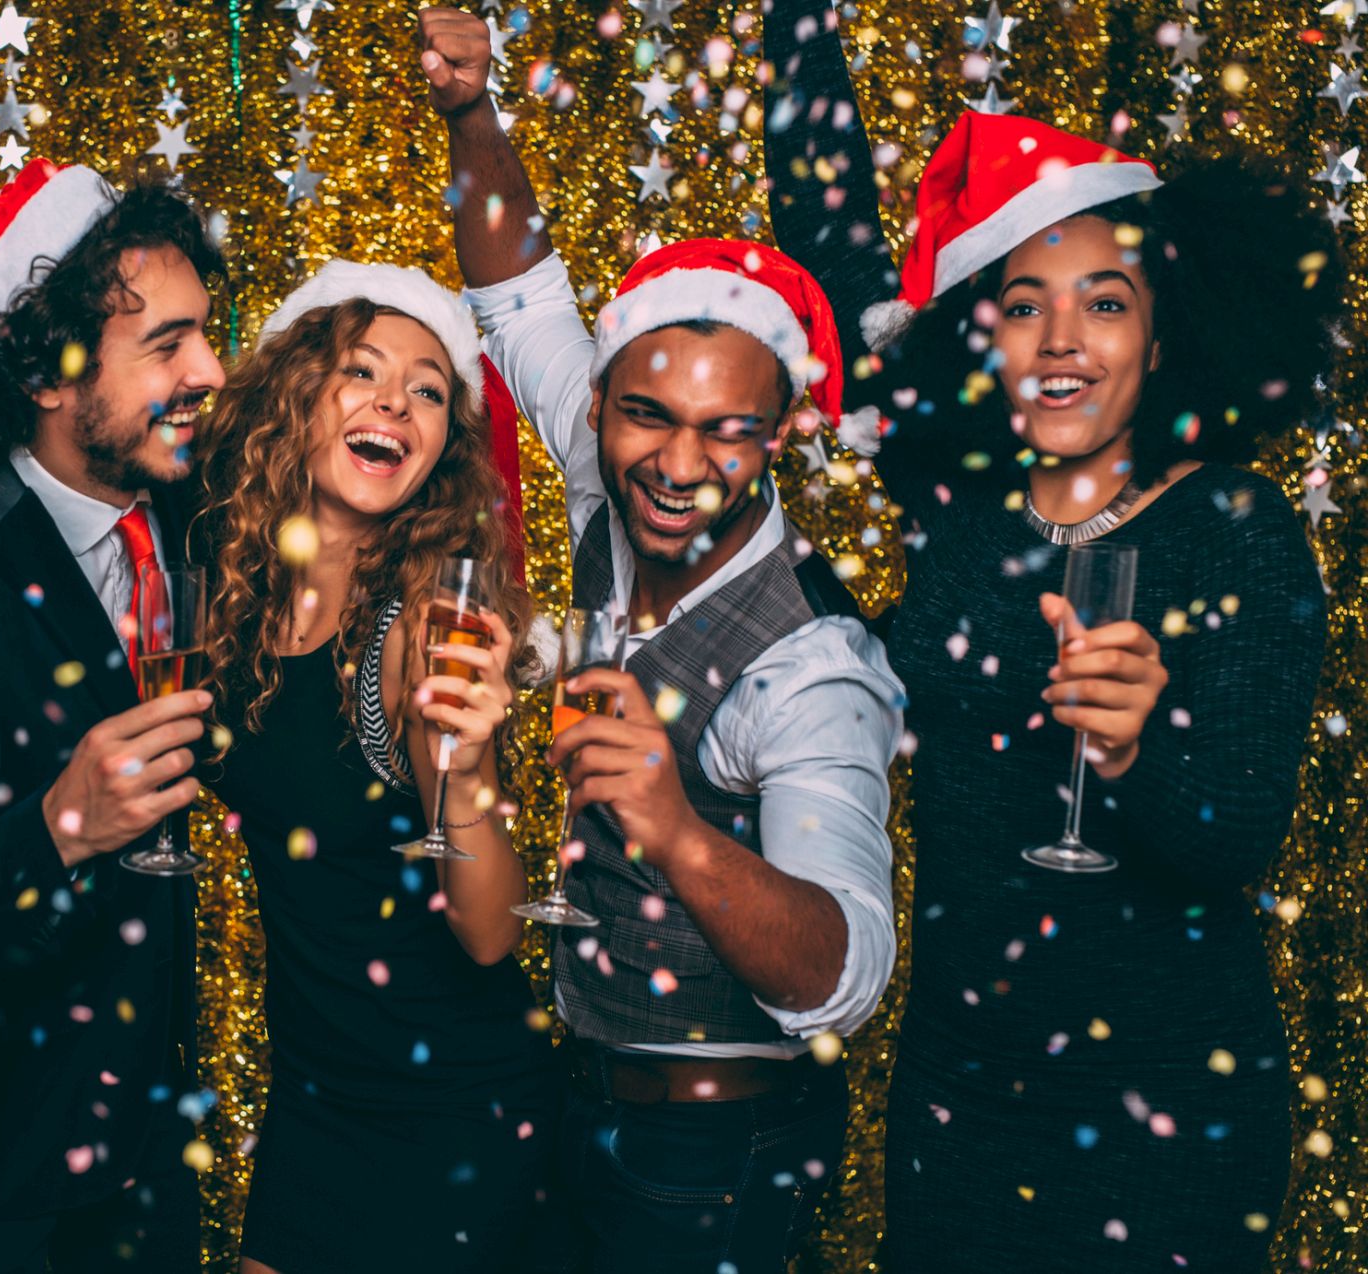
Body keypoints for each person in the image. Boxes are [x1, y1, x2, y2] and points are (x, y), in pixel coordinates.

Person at [762, 5, 1339, 1268]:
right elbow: (828, 237)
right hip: (961, 1095)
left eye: (1103, 302)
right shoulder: (967, 526)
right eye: (1024, 305)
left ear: (1161, 326)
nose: (1062, 340)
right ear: (984, 336)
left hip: (1167, 1105)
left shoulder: (1231, 527)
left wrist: (1138, 754)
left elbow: (1231, 838)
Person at [416, 9, 904, 1271]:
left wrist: (674, 824)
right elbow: (517, 290)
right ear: (602, 404)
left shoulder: (811, 664)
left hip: (718, 1157)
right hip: (576, 1096)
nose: (678, 466)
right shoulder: (601, 474)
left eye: (724, 432)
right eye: (644, 417)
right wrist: (472, 113)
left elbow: (846, 974)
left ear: (778, 431)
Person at [0, 158, 225, 1272]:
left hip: (154, 1161)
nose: (209, 369)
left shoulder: (195, 517)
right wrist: (59, 826)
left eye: (205, 334)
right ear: (47, 370)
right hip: (2, 1188)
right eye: (167, 343)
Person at [189, 259, 556, 1274]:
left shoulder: (416, 631)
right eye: (361, 369)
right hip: (315, 1093)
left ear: (439, 446)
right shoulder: (230, 597)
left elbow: (487, 932)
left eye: (429, 388)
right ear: (293, 398)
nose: (395, 399)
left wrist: (470, 761)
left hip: (451, 1106)